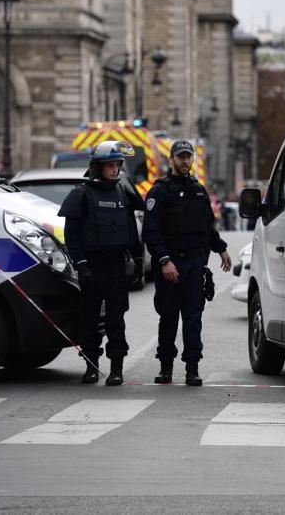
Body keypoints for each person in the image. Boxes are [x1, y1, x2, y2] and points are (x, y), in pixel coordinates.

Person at [143, 139, 232, 386]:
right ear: (170, 159)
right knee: (169, 318)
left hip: (194, 265)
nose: (185, 161)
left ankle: (192, 368)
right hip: (170, 265)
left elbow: (207, 228)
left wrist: (221, 249)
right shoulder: (160, 191)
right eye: (180, 157)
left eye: (188, 156)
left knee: (193, 319)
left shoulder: (199, 190)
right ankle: (166, 367)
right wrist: (164, 261)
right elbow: (151, 232)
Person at [58, 141, 144, 386]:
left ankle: (116, 367)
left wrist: (137, 260)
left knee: (117, 320)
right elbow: (72, 234)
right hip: (92, 267)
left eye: (117, 164)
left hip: (116, 266)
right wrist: (81, 264)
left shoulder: (122, 193)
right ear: (98, 167)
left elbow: (130, 229)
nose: (115, 169)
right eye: (110, 165)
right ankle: (91, 366)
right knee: (90, 319)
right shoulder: (81, 194)